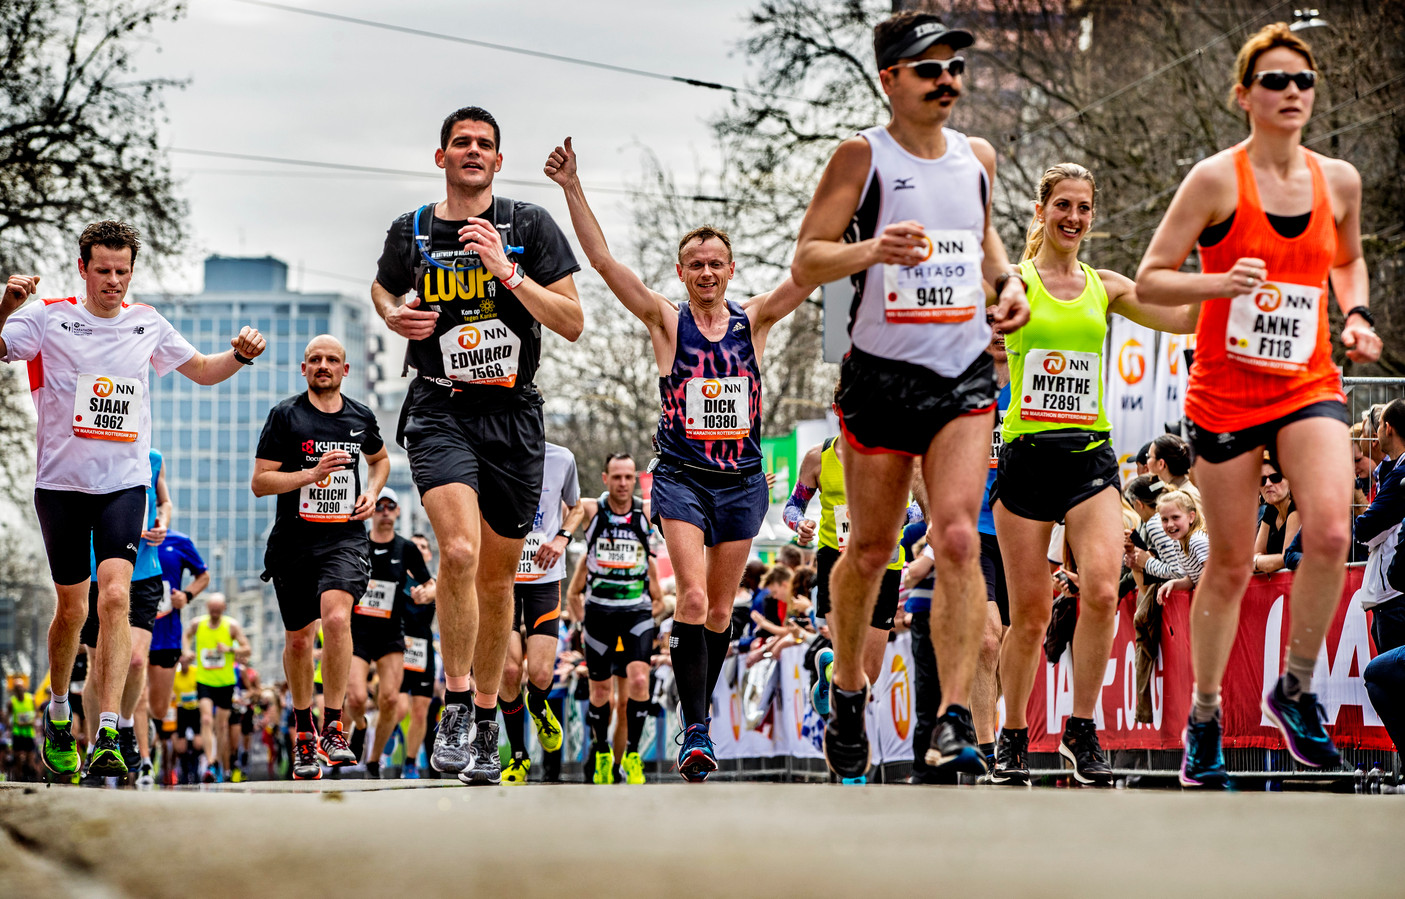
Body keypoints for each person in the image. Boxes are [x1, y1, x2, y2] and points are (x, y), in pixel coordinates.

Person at [1136, 22, 1381, 787]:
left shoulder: (1337, 179)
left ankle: (1295, 685)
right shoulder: (1214, 181)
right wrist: (1218, 283)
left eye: (1302, 82)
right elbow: (1149, 278)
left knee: (1332, 526)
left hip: (1306, 382)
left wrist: (1356, 315)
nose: (1290, 94)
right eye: (1273, 81)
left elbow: (1347, 257)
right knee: (1231, 564)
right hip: (1224, 391)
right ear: (1243, 95)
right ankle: (1203, 716)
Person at [789, 11, 1031, 780]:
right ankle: (848, 690)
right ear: (890, 77)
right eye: (928, 68)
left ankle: (953, 714)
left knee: (958, 537)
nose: (946, 81)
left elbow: (983, 236)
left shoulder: (977, 157)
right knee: (867, 549)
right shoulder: (861, 157)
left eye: (954, 67)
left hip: (960, 376)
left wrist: (1007, 284)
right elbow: (806, 261)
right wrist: (870, 248)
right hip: (879, 377)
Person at [545, 139, 810, 783]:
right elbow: (605, 263)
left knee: (720, 612)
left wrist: (854, 209)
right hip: (685, 478)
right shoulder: (667, 323)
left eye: (716, 263)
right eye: (696, 264)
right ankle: (696, 730)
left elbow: (807, 274)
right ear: (681, 271)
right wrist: (573, 187)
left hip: (744, 482)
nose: (707, 273)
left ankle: (699, 716)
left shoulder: (757, 322)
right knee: (690, 598)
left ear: (732, 268)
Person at [0, 220, 265, 781]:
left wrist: (238, 355)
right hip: (62, 485)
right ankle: (57, 713)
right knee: (72, 609)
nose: (114, 282)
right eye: (104, 271)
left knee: (116, 597)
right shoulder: (46, 314)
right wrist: (6, 305)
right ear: (83, 268)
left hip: (124, 483)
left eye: (123, 271)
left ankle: (111, 731)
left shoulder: (147, 323)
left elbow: (202, 370)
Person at [373, 107, 583, 782]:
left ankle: (489, 723)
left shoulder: (528, 227)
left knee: (498, 579)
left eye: (484, 144)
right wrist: (390, 313)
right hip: (440, 404)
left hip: (513, 414)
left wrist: (509, 274)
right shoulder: (412, 231)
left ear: (498, 161)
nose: (472, 150)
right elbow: (383, 286)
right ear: (442, 158)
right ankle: (457, 700)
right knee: (457, 552)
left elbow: (573, 321)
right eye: (460, 142)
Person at [989, 163, 1197, 787]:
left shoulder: (1104, 286)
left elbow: (1181, 316)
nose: (1074, 218)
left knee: (1103, 590)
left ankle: (1081, 730)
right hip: (1027, 457)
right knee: (1027, 616)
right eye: (1063, 206)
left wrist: (1231, 292)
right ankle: (1013, 735)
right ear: (1041, 211)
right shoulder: (1015, 282)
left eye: (1084, 208)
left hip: (1090, 457)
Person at [253, 334, 390, 780]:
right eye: (315, 359)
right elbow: (260, 481)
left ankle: (334, 726)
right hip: (294, 541)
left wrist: (371, 492)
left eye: (332, 359)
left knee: (335, 619)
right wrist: (310, 474)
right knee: (298, 640)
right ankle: (304, 732)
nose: (323, 365)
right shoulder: (285, 416)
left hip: (344, 539)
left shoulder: (359, 417)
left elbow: (380, 459)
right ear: (304, 368)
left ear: (345, 370)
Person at [783, 390, 913, 726]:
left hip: (886, 565)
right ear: (837, 410)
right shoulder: (818, 457)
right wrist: (802, 525)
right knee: (850, 674)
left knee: (869, 676)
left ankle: (828, 666)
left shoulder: (895, 456)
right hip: (835, 562)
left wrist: (899, 515)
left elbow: (920, 508)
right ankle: (849, 759)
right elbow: (792, 506)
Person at [565, 454, 666, 785]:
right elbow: (559, 501)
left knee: (639, 681)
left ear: (634, 480)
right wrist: (579, 619)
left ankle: (633, 754)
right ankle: (603, 751)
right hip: (599, 611)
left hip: (636, 611)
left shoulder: (646, 511)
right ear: (605, 478)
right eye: (616, 477)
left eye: (628, 477)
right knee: (600, 692)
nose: (623, 483)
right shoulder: (592, 510)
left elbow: (685, 505)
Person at [78, 446, 172, 785]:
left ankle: (127, 725)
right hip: (93, 573)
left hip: (144, 572)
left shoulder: (153, 457)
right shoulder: (86, 451)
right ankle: (94, 744)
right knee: (98, 667)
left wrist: (163, 522)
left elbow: (164, 502)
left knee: (134, 661)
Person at [500, 442, 583, 785]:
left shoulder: (561, 458)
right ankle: (519, 756)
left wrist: (562, 538)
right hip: (502, 578)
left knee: (541, 672)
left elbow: (576, 507)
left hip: (544, 576)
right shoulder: (492, 453)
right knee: (507, 670)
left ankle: (537, 704)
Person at [346, 488, 433, 779]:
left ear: (397, 511)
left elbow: (429, 583)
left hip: (391, 633)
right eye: (379, 506)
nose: (384, 511)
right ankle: (359, 727)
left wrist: (426, 592)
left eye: (390, 506)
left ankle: (372, 761)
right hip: (358, 631)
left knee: (391, 701)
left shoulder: (406, 548)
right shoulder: (357, 544)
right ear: (371, 511)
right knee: (357, 698)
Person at [153, 529, 208, 780]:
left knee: (159, 708)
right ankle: (142, 761)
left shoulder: (179, 541)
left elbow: (203, 576)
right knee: (139, 699)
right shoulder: (123, 534)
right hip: (132, 632)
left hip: (166, 636)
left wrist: (186, 595)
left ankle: (184, 767)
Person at [184, 594, 251, 783]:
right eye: (211, 609)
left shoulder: (231, 626)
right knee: (206, 719)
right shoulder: (198, 623)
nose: (214, 613)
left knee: (222, 726)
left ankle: (223, 766)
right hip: (204, 680)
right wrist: (187, 650)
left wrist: (230, 649)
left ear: (224, 608)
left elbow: (247, 649)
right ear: (207, 607)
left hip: (225, 682)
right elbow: (186, 635)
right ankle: (211, 763)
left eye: (217, 609)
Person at [401, 533, 438, 778]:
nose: (418, 549)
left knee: (420, 710)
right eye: (413, 546)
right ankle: (378, 754)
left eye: (423, 547)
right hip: (397, 648)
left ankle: (411, 762)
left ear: (428, 554)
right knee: (398, 707)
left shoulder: (433, 583)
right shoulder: (396, 577)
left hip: (423, 648)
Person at [1253, 456, 1300, 575]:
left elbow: (1287, 558)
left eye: (1275, 478)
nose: (1268, 484)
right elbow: (1255, 554)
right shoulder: (1271, 510)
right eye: (1262, 480)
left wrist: (1257, 562)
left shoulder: (1297, 510)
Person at [1147, 434, 1200, 502]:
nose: (1147, 462)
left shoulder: (1185, 496)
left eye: (1149, 456)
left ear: (1161, 464)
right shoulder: (1170, 488)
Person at [5, 675, 38, 782]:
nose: (19, 689)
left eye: (21, 687)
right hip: (17, 732)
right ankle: (18, 780)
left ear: (24, 688)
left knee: (30, 758)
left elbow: (37, 712)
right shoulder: (11, 702)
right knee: (18, 757)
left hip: (29, 732)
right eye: (17, 687)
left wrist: (33, 721)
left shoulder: (31, 699)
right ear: (14, 690)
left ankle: (30, 779)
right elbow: (7, 716)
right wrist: (9, 726)